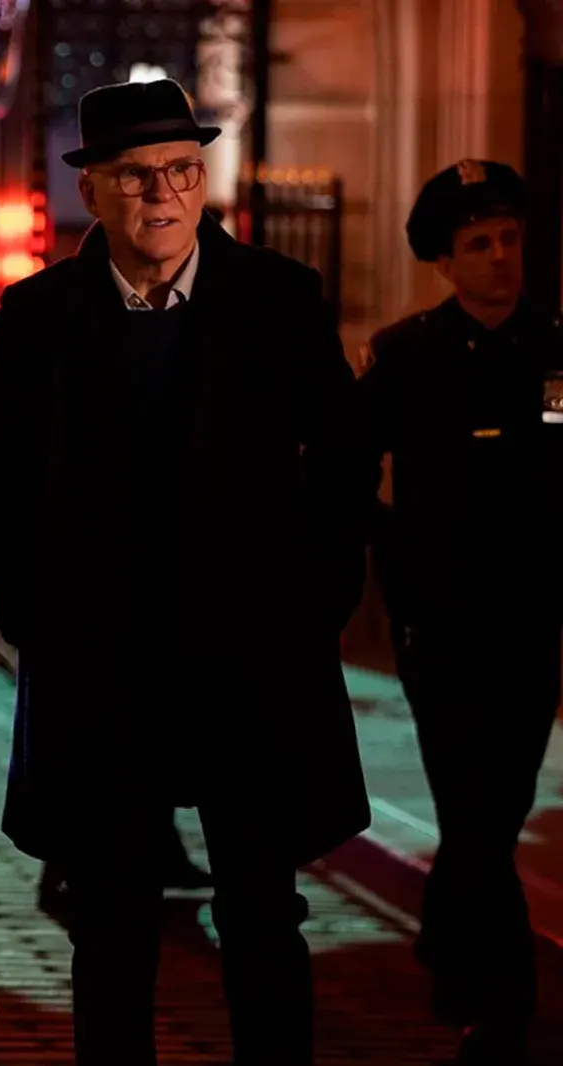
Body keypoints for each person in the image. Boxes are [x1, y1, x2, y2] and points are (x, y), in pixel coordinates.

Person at [0, 79, 376, 1065]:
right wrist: (35, 620)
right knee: (110, 919)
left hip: (249, 664)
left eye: (182, 168)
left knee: (262, 910)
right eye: (136, 173)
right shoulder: (37, 317)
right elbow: (1, 480)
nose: (162, 192)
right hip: (104, 672)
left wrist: (316, 601)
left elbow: (344, 458)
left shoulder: (280, 300)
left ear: (205, 180)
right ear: (94, 191)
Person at [359, 159, 563, 1065]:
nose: (498, 259)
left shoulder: (557, 354)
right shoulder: (408, 356)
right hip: (439, 622)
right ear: (445, 260)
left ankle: (451, 947)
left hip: (526, 621)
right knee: (469, 804)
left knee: (495, 805)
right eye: (478, 244)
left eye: (508, 239)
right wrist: (392, 559)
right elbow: (348, 469)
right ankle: (501, 999)